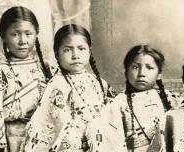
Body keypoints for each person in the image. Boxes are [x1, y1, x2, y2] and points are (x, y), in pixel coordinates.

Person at [22, 24, 115, 152]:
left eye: (81, 48)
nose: (75, 55)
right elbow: (47, 122)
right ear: (57, 54)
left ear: (89, 51)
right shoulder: (56, 84)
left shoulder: (101, 84)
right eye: (67, 50)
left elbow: (113, 119)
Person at [0, 6, 52, 152]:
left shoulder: (46, 68)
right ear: (3, 36)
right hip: (12, 141)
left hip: (44, 139)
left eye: (28, 34)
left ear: (36, 34)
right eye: (15, 34)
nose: (23, 41)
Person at [96, 45, 180, 152]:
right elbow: (112, 143)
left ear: (159, 74)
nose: (141, 74)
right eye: (135, 67)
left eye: (149, 68)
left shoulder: (170, 99)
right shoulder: (118, 103)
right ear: (126, 72)